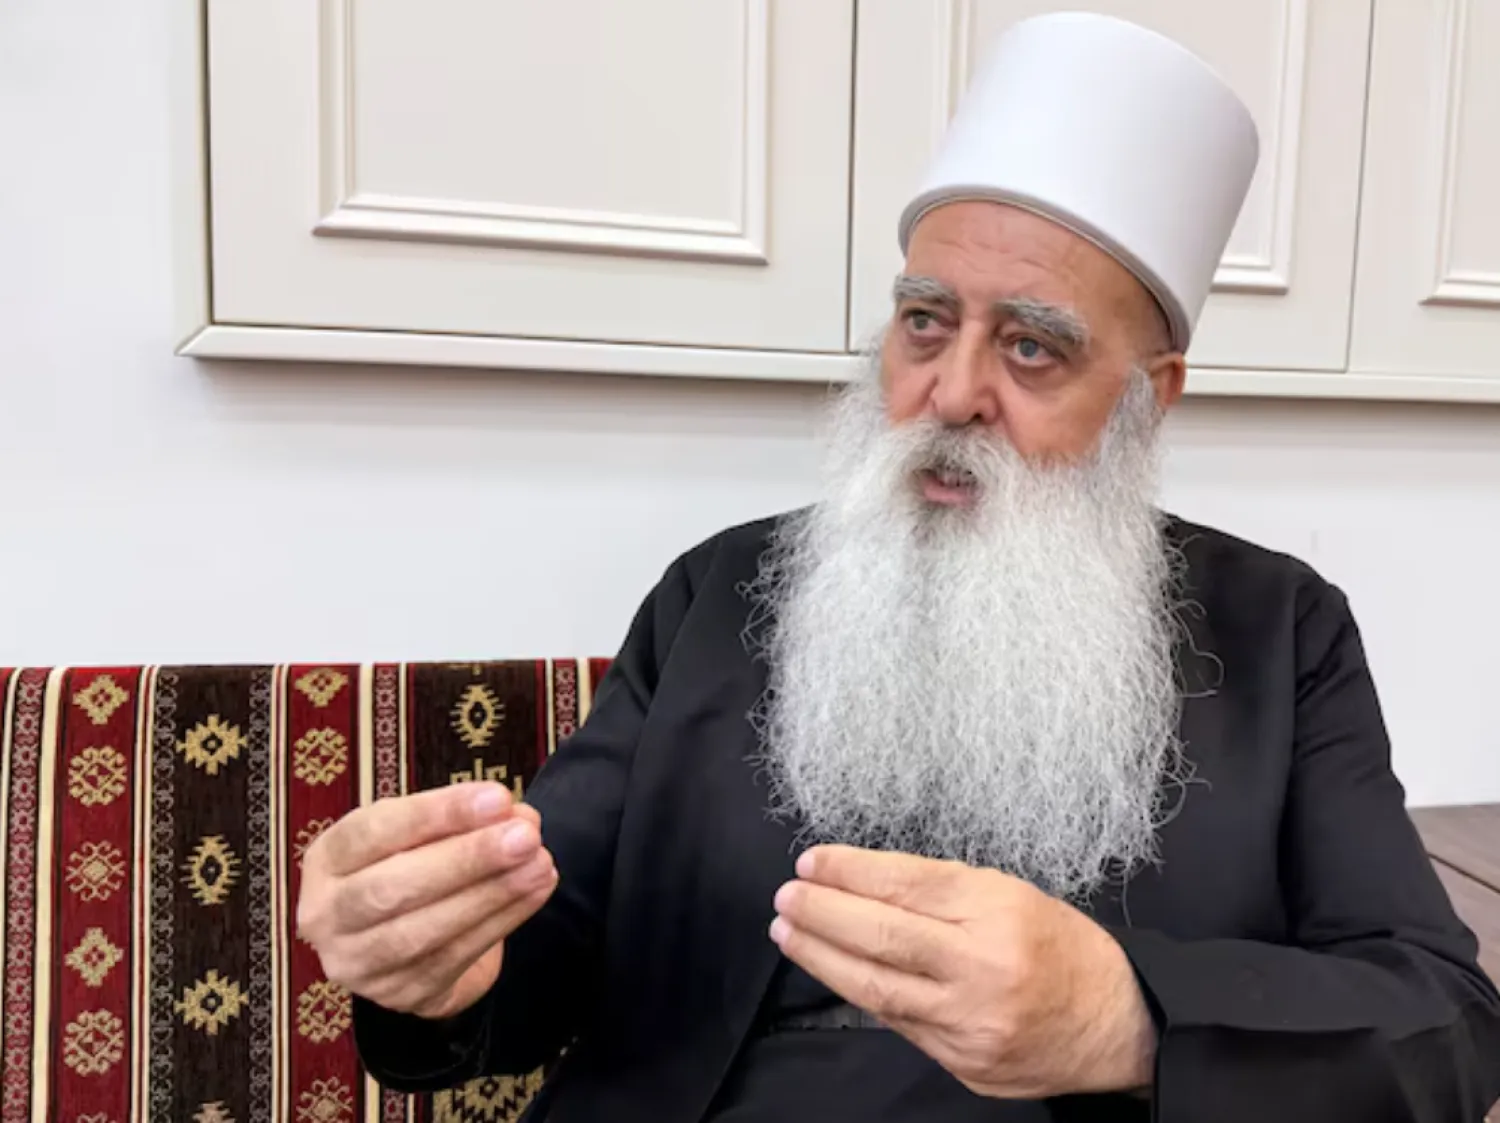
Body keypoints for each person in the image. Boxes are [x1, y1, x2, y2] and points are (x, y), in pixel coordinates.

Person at [296, 13, 1500, 1122]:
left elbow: (1442, 1021)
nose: (952, 393)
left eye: (1033, 348)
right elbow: (538, 949)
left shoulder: (1280, 632)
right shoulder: (719, 593)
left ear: (1150, 398)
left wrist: (1127, 1016)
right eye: (926, 320)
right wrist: (434, 956)